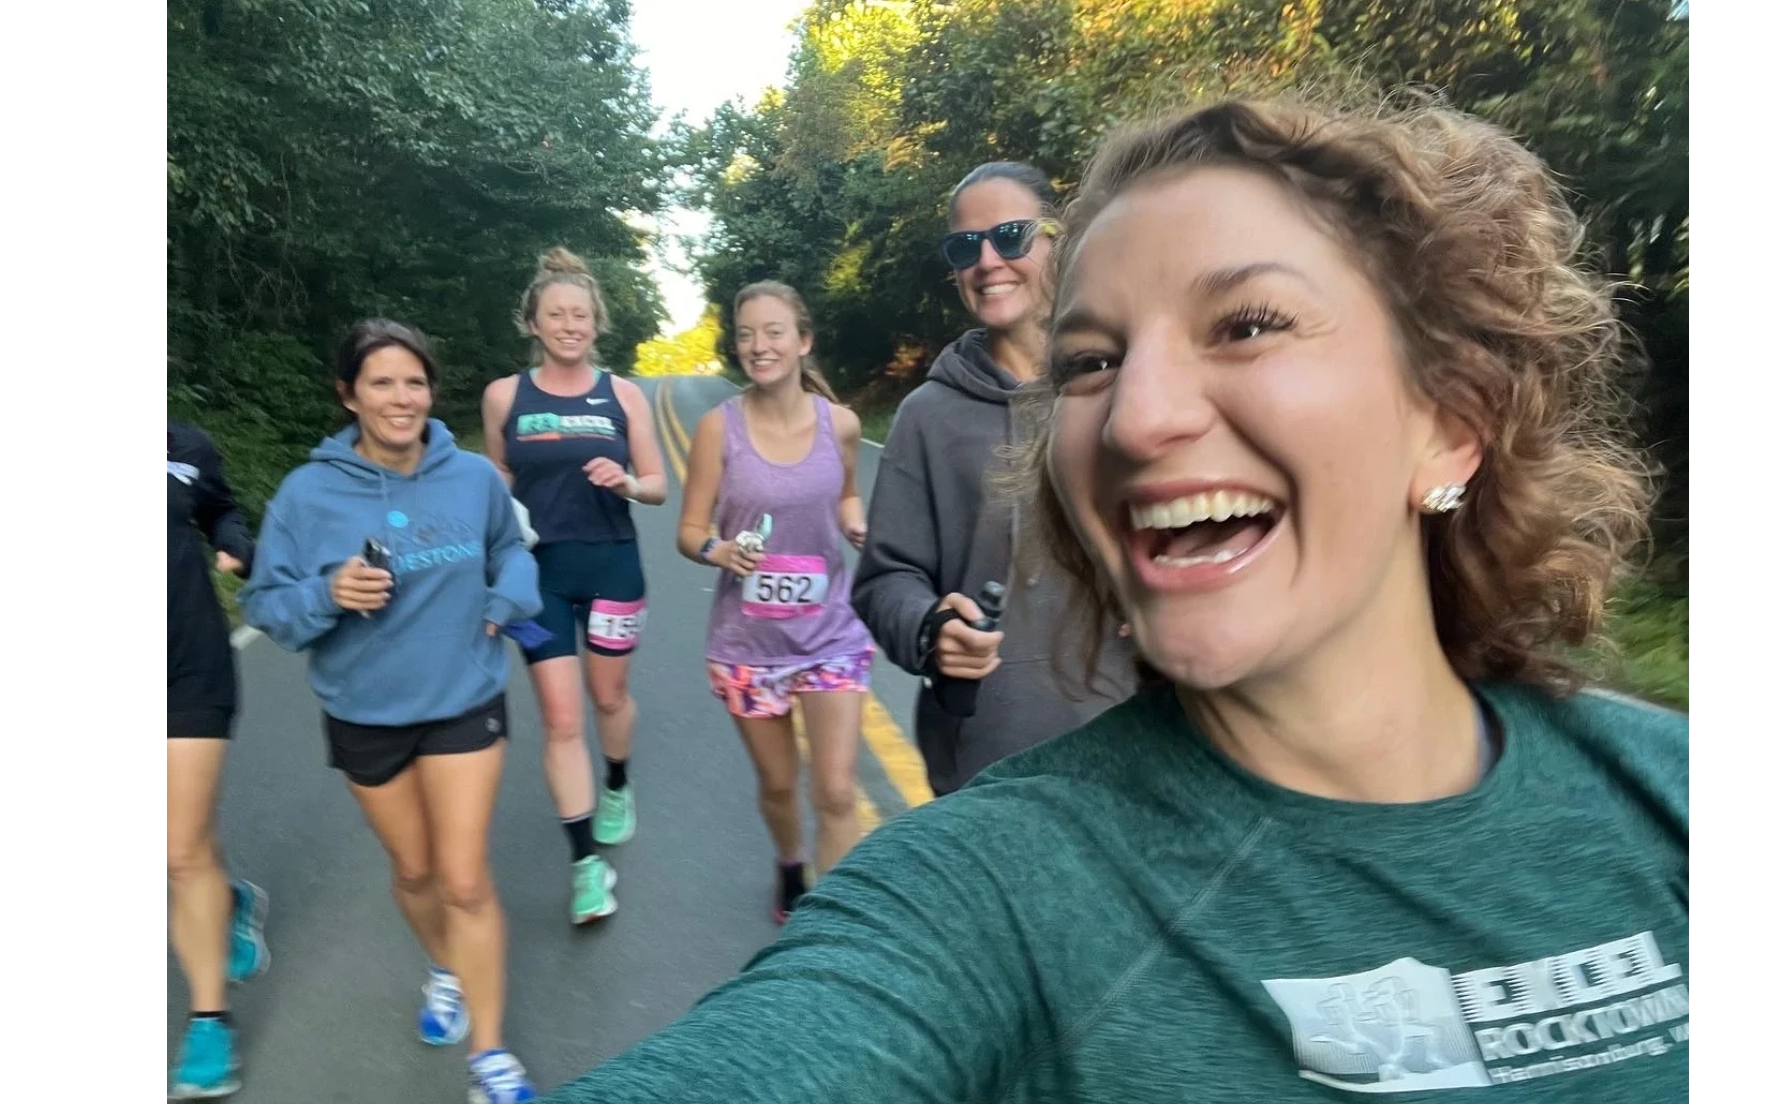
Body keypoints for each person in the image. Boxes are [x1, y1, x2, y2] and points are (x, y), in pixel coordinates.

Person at [538, 95, 1690, 1103]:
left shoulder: (1655, 795)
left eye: (1244, 325)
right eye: (1092, 364)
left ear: (1452, 419)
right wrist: (925, 633)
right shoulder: (994, 886)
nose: (1138, 419)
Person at [241, 319, 544, 1104]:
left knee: (465, 876)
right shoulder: (307, 494)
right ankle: (445, 968)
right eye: (381, 383)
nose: (401, 398)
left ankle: (490, 1054)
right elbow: (267, 605)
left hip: (462, 697)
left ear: (430, 391)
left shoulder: (472, 476)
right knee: (414, 872)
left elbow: (511, 549)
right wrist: (327, 593)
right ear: (349, 395)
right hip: (365, 712)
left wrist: (510, 595)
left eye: (414, 381)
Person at [852, 160, 1138, 798]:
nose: (987, 260)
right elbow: (884, 580)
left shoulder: (1134, 383)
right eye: (963, 247)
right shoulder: (928, 416)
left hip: (1145, 738)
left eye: (1011, 236)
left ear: (1058, 241)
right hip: (989, 762)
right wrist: (930, 628)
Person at [675, 281, 875, 924]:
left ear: (803, 341)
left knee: (838, 790)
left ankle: (836, 932)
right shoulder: (717, 428)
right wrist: (719, 552)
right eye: (746, 335)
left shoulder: (839, 423)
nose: (758, 346)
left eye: (773, 332)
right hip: (748, 647)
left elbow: (845, 491)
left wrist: (853, 519)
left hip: (831, 635)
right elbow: (688, 529)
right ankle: (790, 863)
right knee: (781, 785)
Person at [482, 247, 667, 925]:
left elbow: (656, 486)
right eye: (555, 314)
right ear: (532, 322)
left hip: (613, 564)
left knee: (607, 697)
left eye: (580, 315)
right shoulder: (506, 395)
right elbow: (495, 479)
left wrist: (626, 482)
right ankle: (586, 867)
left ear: (595, 323)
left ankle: (617, 780)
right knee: (561, 719)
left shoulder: (621, 395)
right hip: (537, 580)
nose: (569, 325)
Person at [164, 410, 270, 1100]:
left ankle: (209, 1024)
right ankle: (230, 900)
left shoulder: (186, 445)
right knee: (193, 842)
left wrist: (236, 542)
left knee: (177, 850)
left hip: (190, 665)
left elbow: (221, 511)